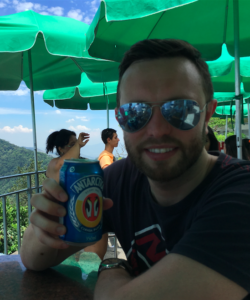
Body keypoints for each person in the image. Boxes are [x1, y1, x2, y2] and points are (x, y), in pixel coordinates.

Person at [20, 39, 250, 300]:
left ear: (208, 114)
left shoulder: (241, 194)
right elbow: (33, 258)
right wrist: (44, 225)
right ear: (120, 118)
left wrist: (112, 267)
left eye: (181, 110)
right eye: (136, 113)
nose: (157, 130)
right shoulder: (118, 180)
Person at [45, 129, 108, 260]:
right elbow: (62, 164)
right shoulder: (55, 164)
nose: (77, 147)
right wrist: (78, 145)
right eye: (72, 144)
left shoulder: (80, 163)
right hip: (61, 222)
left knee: (92, 260)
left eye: (77, 144)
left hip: (83, 219)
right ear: (60, 149)